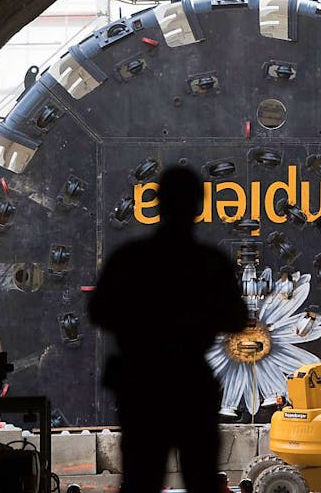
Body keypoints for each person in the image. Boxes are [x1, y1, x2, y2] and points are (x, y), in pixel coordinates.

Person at [89, 166, 248, 493]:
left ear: (158, 203)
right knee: (201, 477)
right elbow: (236, 318)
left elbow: (99, 311)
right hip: (191, 381)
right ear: (199, 205)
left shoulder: (131, 258)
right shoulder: (211, 262)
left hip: (142, 383)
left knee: (140, 477)